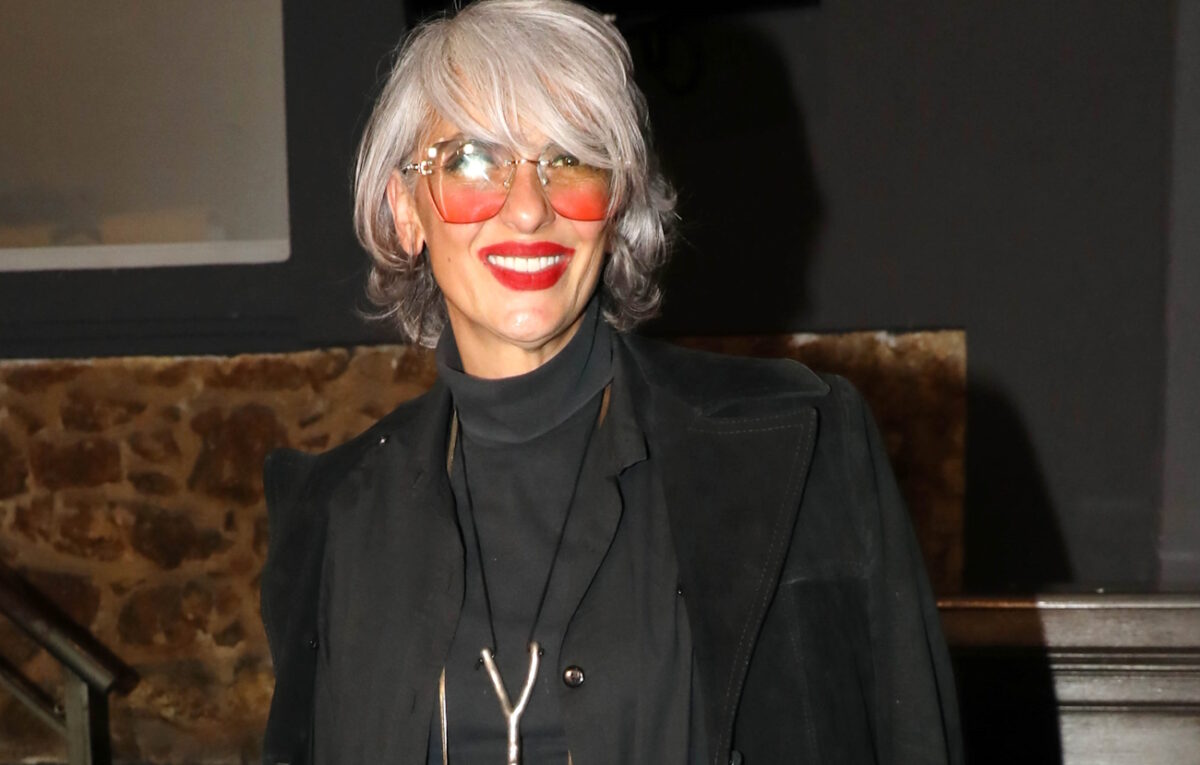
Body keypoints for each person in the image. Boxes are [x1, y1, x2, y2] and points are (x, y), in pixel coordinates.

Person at [259, 1, 963, 763]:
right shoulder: (333, 516)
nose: (528, 209)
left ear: (617, 200)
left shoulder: (803, 448)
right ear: (405, 211)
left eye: (570, 158)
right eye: (474, 161)